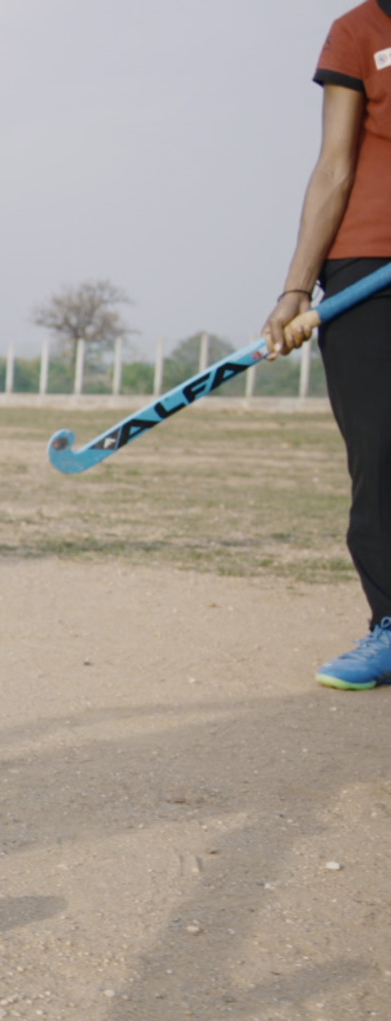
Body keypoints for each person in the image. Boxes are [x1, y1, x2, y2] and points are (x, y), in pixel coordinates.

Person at [261, 3, 391, 690]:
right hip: (369, 268)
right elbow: (334, 168)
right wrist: (295, 292)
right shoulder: (359, 30)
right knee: (379, 450)